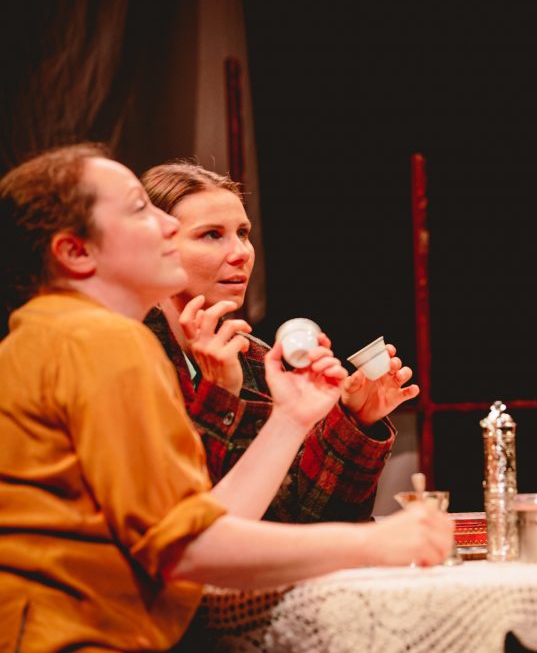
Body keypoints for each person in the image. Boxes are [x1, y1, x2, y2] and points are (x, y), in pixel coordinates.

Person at [0, 144, 452, 652]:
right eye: (138, 208)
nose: (167, 226)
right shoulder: (102, 342)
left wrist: (291, 419)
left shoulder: (50, 336)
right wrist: (374, 542)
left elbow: (195, 524)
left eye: (242, 233)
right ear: (76, 252)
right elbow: (190, 550)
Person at [138, 160, 416, 523]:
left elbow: (299, 519)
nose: (240, 252)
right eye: (211, 234)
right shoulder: (129, 354)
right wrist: (219, 395)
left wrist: (354, 422)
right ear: (157, 246)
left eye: (243, 233)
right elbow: (186, 524)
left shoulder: (253, 358)